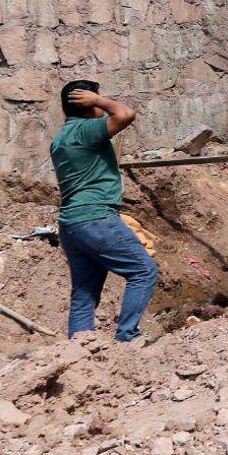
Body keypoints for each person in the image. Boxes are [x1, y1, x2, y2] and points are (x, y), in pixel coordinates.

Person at [49, 80, 158, 343]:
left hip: (71, 225)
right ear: (85, 102)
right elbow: (125, 114)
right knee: (143, 270)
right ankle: (127, 337)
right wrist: (99, 101)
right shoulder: (85, 130)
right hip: (96, 218)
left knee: (84, 293)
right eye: (93, 99)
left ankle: (79, 348)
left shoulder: (59, 140)